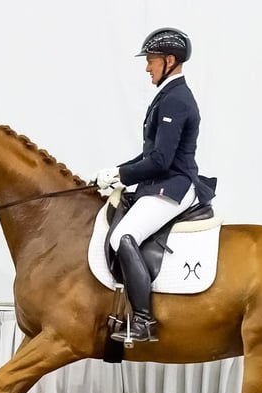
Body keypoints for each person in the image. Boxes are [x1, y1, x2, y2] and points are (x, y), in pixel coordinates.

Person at [95, 27, 216, 344]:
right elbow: (151, 153)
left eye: (151, 60)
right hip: (161, 181)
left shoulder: (176, 100)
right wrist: (118, 171)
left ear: (170, 60)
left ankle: (144, 322)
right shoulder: (167, 95)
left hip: (173, 185)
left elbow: (161, 160)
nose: (147, 67)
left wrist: (123, 176)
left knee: (122, 236)